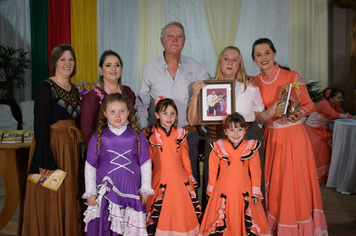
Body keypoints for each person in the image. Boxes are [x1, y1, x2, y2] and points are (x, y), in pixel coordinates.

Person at [251, 38, 328, 235]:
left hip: (294, 137)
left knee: (293, 183)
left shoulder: (291, 76)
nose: (264, 57)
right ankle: (275, 225)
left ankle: (297, 227)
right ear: (254, 59)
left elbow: (310, 105)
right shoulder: (254, 82)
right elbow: (255, 114)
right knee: (274, 182)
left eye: (267, 53)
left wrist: (299, 113)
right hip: (270, 137)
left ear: (274, 54)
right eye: (258, 55)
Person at [188, 46, 272, 211]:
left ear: (239, 64)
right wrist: (195, 95)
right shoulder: (207, 87)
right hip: (216, 138)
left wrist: (274, 112)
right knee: (216, 183)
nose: (230, 63)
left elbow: (259, 116)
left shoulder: (250, 86)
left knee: (249, 182)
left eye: (235, 60)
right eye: (226, 58)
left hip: (248, 137)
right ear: (220, 62)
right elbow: (192, 121)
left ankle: (249, 223)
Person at [135, 22, 211, 188]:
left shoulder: (197, 69)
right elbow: (141, 103)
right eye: (170, 36)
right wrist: (142, 127)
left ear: (184, 40)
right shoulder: (150, 69)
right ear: (162, 41)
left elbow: (215, 93)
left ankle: (189, 214)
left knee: (189, 185)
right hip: (159, 138)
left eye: (179, 36)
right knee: (160, 185)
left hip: (188, 136)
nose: (175, 40)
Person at [24, 44, 83, 236]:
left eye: (71, 59)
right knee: (52, 193)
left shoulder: (74, 89)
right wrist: (45, 159)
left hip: (71, 147)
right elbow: (40, 125)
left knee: (69, 193)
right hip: (52, 146)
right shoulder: (45, 87)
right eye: (63, 59)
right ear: (55, 63)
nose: (68, 63)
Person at [82, 93, 153, 236]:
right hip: (107, 190)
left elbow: (145, 163)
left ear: (128, 112)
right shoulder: (98, 137)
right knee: (106, 226)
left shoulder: (137, 136)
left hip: (130, 189)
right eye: (112, 112)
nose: (117, 115)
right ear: (105, 113)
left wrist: (145, 188)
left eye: (121, 111)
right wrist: (90, 192)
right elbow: (90, 166)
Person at [199, 113, 269, 236]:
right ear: (225, 131)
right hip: (222, 192)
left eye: (239, 129)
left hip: (244, 191)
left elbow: (256, 171)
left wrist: (255, 191)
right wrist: (211, 190)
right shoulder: (218, 147)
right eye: (231, 130)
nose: (236, 134)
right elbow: (213, 170)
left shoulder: (251, 147)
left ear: (245, 130)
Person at [145, 97, 201, 235]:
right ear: (157, 115)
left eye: (172, 113)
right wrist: (145, 183)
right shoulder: (152, 135)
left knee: (181, 211)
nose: (169, 117)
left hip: (180, 180)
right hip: (160, 180)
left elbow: (185, 158)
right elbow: (148, 162)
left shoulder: (181, 134)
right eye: (165, 113)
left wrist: (190, 177)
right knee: (162, 211)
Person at [81, 50, 136, 147]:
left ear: (121, 68)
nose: (113, 69)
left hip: (129, 149)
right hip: (103, 153)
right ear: (101, 69)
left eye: (117, 65)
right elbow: (87, 131)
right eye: (108, 65)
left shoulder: (128, 92)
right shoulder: (92, 97)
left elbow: (134, 121)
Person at [304, 87, 355, 182]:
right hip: (312, 130)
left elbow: (342, 114)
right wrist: (351, 117)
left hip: (322, 130)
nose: (342, 100)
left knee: (329, 148)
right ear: (331, 99)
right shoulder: (324, 103)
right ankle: (316, 176)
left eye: (341, 97)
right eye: (339, 98)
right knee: (321, 149)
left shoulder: (335, 105)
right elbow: (336, 115)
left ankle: (326, 176)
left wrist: (349, 117)